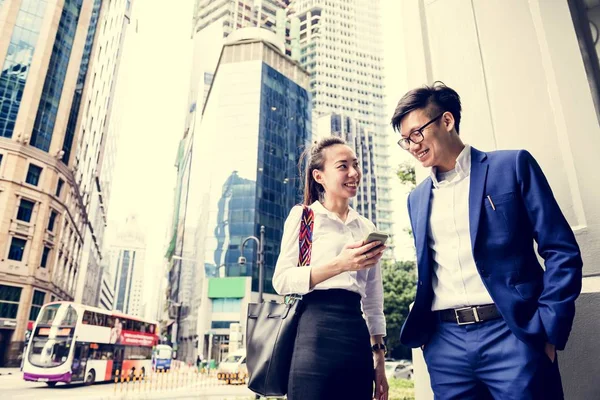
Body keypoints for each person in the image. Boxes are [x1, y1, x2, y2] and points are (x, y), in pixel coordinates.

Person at [392, 82, 583, 399]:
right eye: (405, 140)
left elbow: (561, 250)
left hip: (513, 336)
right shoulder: (417, 198)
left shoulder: (511, 166)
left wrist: (548, 329)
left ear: (447, 121)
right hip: (446, 346)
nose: (412, 145)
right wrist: (432, 341)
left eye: (417, 133)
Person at [273, 137, 389, 400]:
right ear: (319, 176)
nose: (353, 173)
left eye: (355, 165)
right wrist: (340, 264)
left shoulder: (366, 228)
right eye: (343, 166)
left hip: (356, 336)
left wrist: (379, 361)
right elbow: (281, 280)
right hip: (312, 335)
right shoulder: (304, 218)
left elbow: (373, 302)